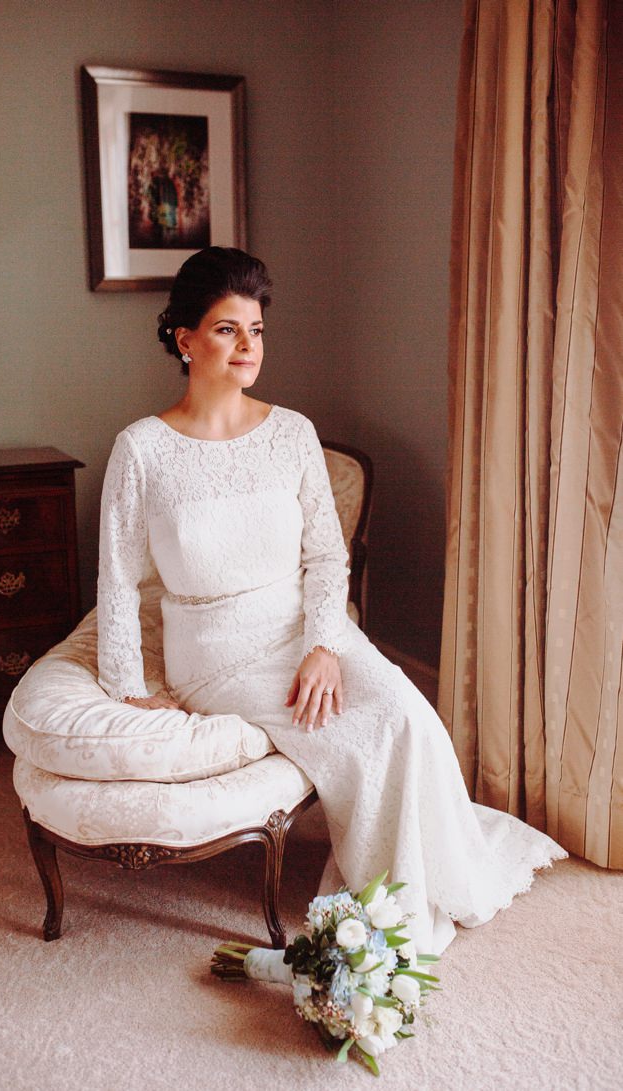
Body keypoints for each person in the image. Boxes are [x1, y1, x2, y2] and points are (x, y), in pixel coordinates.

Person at [95, 246, 564, 954]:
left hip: (301, 627)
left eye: (256, 329)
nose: (247, 346)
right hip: (217, 652)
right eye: (227, 329)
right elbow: (118, 578)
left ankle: (424, 878)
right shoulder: (141, 450)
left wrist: (324, 643)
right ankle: (383, 917)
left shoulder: (292, 432)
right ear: (184, 338)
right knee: (364, 735)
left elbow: (325, 555)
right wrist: (131, 688)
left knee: (409, 713)